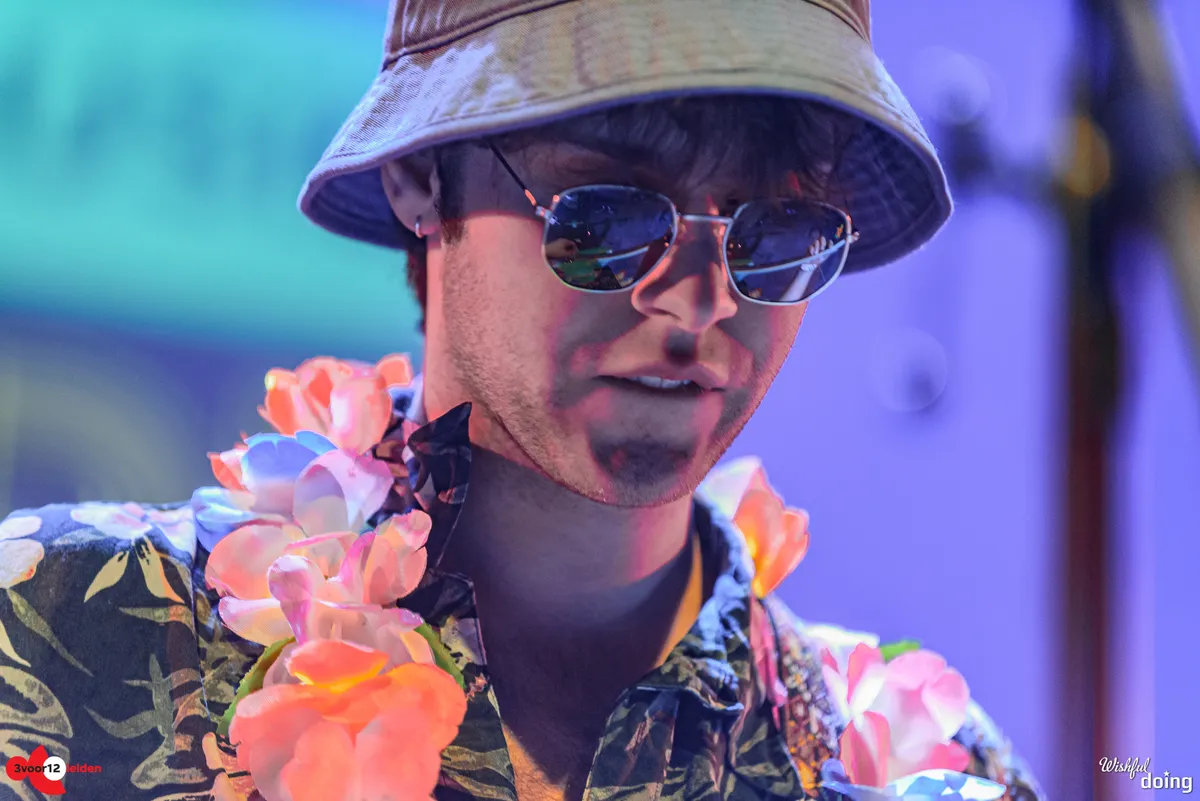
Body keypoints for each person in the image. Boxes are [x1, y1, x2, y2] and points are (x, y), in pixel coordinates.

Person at [0, 1, 1046, 800]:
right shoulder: (57, 633)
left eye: (778, 238)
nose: (698, 302)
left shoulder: (934, 774)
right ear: (422, 175)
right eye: (609, 217)